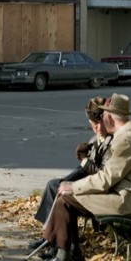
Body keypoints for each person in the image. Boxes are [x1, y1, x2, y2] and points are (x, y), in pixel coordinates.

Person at [34, 92, 131, 261]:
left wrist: (73, 186)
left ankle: (64, 257)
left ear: (108, 116)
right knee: (66, 196)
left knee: (65, 200)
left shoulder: (126, 140)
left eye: (103, 116)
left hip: (126, 200)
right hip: (129, 193)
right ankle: (70, 251)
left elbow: (105, 179)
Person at [29, 97, 111, 251]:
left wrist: (84, 160)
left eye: (100, 123)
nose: (98, 128)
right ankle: (49, 237)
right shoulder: (95, 138)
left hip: (97, 187)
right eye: (94, 125)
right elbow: (84, 169)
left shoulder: (111, 141)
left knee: (61, 191)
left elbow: (102, 175)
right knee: (53, 185)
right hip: (87, 179)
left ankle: (55, 241)